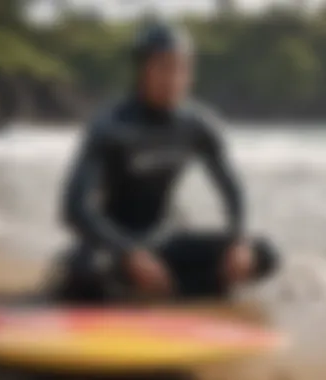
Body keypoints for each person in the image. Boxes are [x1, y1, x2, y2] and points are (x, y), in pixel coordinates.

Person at [56, 23, 279, 303]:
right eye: (164, 66)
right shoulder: (110, 126)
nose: (174, 77)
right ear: (141, 70)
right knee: (85, 272)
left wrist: (239, 240)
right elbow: (74, 208)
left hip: (167, 238)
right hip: (116, 242)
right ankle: (175, 291)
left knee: (266, 254)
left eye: (183, 68)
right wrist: (128, 253)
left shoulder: (198, 124)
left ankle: (165, 291)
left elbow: (232, 191)